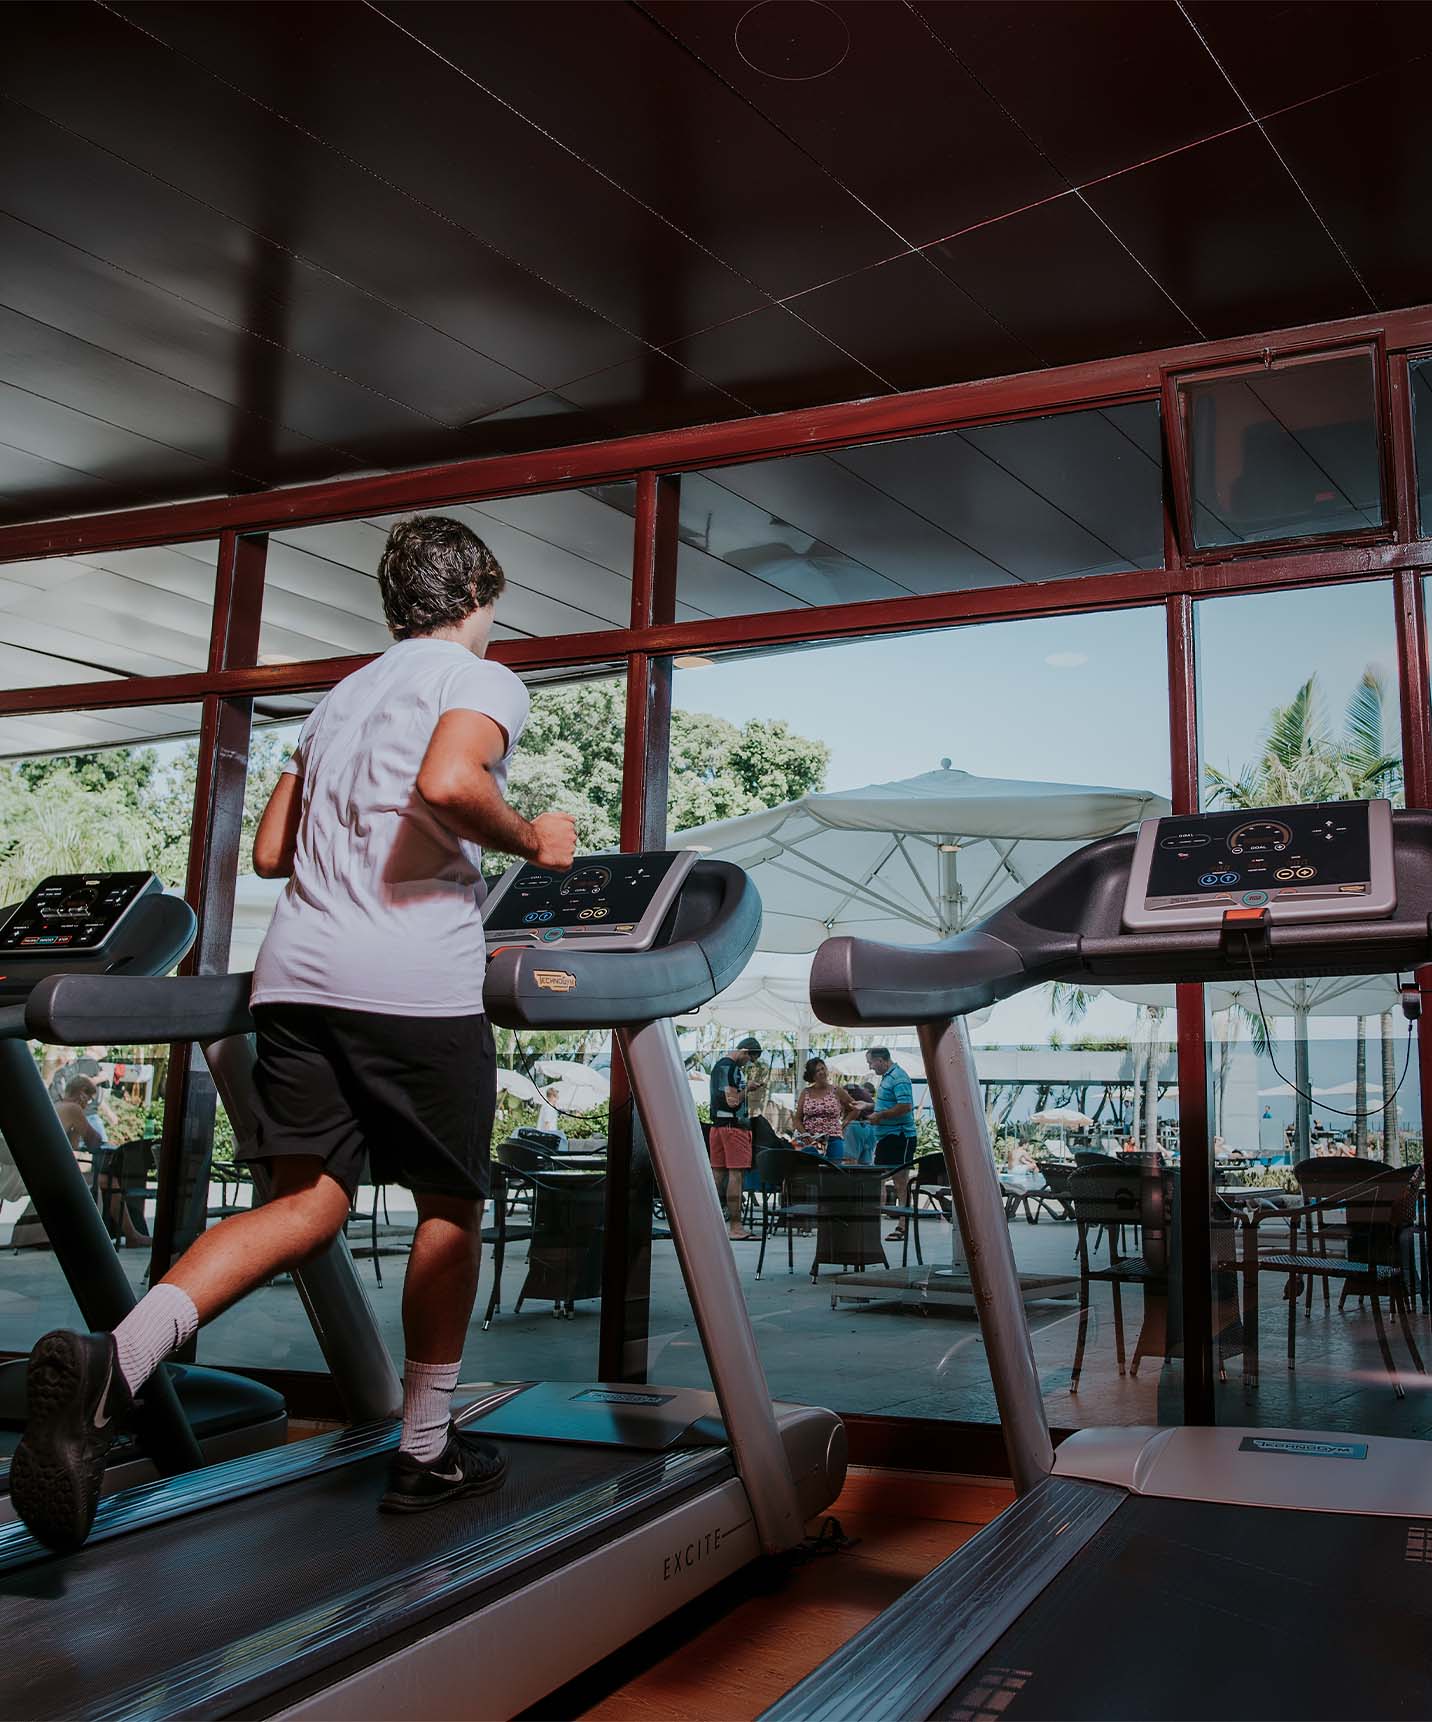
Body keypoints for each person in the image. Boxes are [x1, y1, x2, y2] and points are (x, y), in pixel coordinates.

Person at [10, 513, 577, 1553]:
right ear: (481, 595)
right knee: (450, 1201)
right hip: (408, 982)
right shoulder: (481, 680)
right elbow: (451, 784)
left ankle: (116, 1366)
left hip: (296, 980)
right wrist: (531, 838)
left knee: (306, 1204)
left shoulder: (338, 701)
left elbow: (272, 851)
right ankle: (423, 1448)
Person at [708, 1036, 762, 1242]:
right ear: (745, 1052)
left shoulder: (719, 1068)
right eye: (750, 1059)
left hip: (718, 1127)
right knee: (735, 1175)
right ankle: (736, 1227)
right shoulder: (729, 1068)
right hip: (733, 1127)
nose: (749, 1064)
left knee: (717, 1175)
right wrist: (747, 1088)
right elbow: (732, 1101)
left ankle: (707, 1223)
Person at [866, 1047, 917, 1241]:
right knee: (878, 1178)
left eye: (871, 1062)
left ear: (881, 1060)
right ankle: (874, 1223)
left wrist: (880, 1115)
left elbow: (905, 1106)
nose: (870, 1066)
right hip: (886, 1137)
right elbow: (889, 1104)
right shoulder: (888, 1077)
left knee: (900, 1182)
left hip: (900, 1137)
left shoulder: (899, 1077)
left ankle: (903, 1226)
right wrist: (870, 1107)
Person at [793, 1058, 846, 1160]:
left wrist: (845, 1122)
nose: (821, 1072)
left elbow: (854, 1107)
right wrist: (805, 1134)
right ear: (812, 1075)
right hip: (813, 1139)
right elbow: (797, 1119)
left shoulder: (836, 1090)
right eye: (817, 1071)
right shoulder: (806, 1092)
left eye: (823, 1068)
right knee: (811, 1171)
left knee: (834, 1171)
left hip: (833, 1138)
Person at [840, 1083, 877, 1166]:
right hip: (871, 1127)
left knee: (849, 1161)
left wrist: (842, 1126)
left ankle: (850, 1179)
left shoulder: (843, 1091)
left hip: (856, 1126)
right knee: (866, 1163)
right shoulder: (862, 1093)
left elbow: (857, 1110)